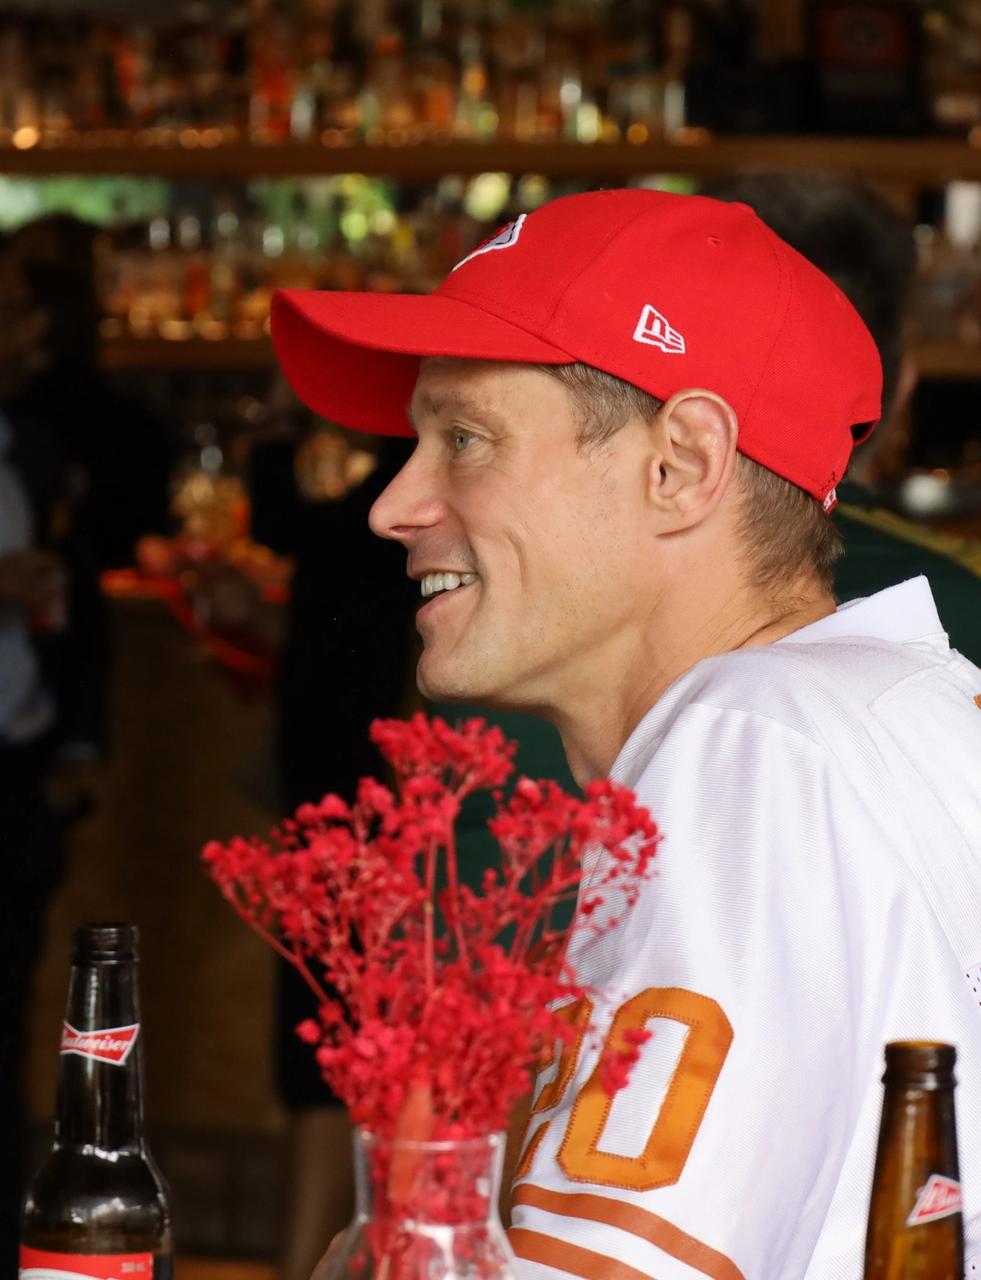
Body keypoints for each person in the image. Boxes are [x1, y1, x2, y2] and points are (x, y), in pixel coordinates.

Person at [269, 189, 981, 1277]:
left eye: (464, 438)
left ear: (682, 464)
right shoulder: (880, 706)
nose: (394, 504)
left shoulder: (756, 743)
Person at [248, 399, 417, 1280]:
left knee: (331, 1051)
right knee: (347, 1052)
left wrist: (271, 433)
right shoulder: (406, 534)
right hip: (371, 815)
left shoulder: (359, 527)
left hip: (357, 814)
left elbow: (274, 523)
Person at [0, 235, 108, 1272]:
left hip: (15, 775)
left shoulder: (33, 446)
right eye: (10, 311)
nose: (29, 332)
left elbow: (82, 611)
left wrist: (78, 741)